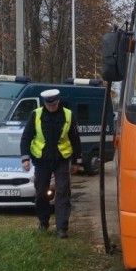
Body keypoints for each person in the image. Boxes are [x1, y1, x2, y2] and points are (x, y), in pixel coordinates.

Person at [20, 88, 83, 238]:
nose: (51, 107)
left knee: (62, 192)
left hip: (61, 160)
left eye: (54, 104)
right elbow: (26, 137)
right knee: (41, 193)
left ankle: (62, 228)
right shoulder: (36, 115)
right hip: (41, 160)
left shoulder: (68, 115)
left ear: (58, 101)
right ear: (44, 103)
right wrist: (25, 158)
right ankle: (43, 222)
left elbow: (75, 138)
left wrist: (76, 161)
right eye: (48, 105)